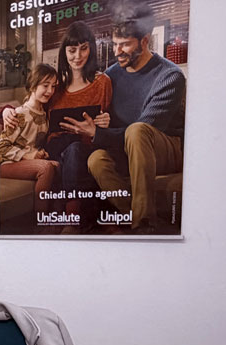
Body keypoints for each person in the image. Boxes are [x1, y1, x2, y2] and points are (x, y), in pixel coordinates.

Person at [61, 1, 185, 233]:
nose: (117, 51)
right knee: (96, 159)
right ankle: (133, 218)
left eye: (125, 45)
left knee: (137, 131)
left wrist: (99, 133)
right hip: (128, 147)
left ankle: (144, 225)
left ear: (145, 41)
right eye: (115, 44)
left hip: (165, 147)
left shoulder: (170, 76)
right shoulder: (112, 74)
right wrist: (7, 111)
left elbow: (145, 128)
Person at [4, 21, 112, 232]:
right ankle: (57, 221)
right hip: (54, 149)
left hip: (84, 148)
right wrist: (6, 111)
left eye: (83, 48)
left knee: (74, 150)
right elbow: (31, 105)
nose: (78, 56)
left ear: (91, 48)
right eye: (72, 50)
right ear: (65, 52)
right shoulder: (55, 86)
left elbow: (108, 124)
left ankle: (72, 221)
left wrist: (106, 122)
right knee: (60, 157)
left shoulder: (102, 82)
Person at [0, 65, 60, 217]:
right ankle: (41, 221)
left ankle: (57, 218)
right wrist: (30, 155)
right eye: (45, 85)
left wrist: (40, 153)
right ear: (33, 85)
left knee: (58, 165)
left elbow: (31, 144)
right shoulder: (19, 114)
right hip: (6, 164)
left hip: (24, 162)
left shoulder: (44, 114)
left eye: (53, 86)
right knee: (45, 168)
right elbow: (2, 147)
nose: (50, 91)